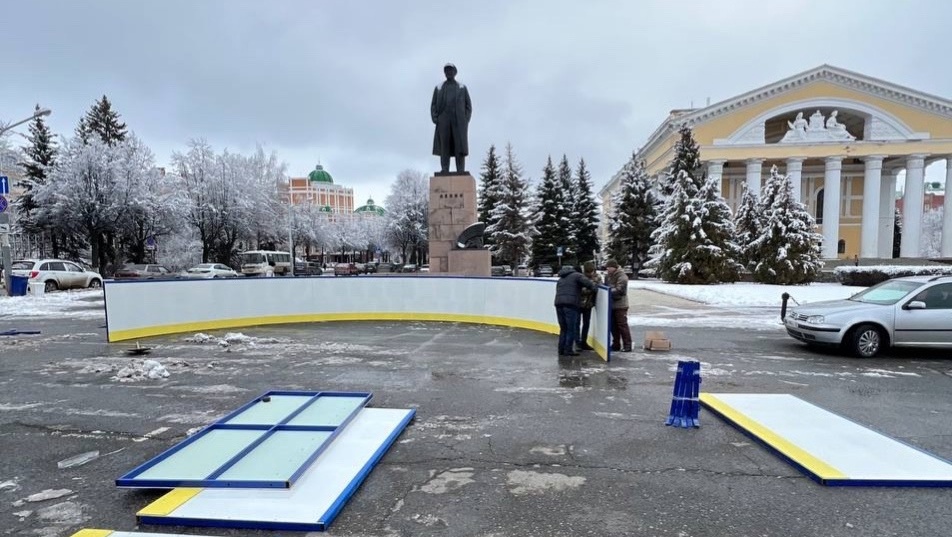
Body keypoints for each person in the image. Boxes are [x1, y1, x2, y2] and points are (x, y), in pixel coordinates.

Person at [431, 63, 473, 174]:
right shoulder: (439, 88)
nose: (448, 72)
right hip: (443, 120)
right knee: (445, 145)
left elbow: (468, 106)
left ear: (455, 72)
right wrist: (436, 118)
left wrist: (465, 119)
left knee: (459, 145)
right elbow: (433, 104)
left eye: (451, 70)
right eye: (447, 71)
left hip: (458, 121)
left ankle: (460, 169)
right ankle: (445, 168)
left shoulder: (462, 88)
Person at [554, 264, 598, 356]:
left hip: (558, 304)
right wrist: (595, 287)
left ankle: (561, 349)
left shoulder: (561, 279)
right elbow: (591, 285)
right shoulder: (577, 275)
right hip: (571, 304)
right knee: (571, 328)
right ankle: (568, 350)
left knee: (563, 328)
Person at [604, 259, 632, 352]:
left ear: (614, 267)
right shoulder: (608, 276)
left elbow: (620, 290)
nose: (607, 269)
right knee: (613, 326)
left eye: (609, 267)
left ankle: (627, 345)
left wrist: (607, 291)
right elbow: (605, 286)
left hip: (621, 305)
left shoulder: (622, 276)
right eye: (607, 267)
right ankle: (616, 344)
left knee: (622, 325)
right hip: (611, 304)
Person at [577, 261, 602, 351]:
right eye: (588, 272)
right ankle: (577, 342)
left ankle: (583, 341)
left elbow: (600, 288)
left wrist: (591, 288)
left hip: (588, 304)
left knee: (586, 323)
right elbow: (580, 290)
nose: (590, 274)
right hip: (579, 303)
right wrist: (592, 288)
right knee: (577, 323)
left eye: (591, 271)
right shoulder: (580, 276)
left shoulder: (597, 277)